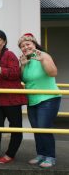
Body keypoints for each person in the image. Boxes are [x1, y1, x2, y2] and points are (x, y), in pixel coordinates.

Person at [0, 30, 27, 164]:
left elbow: (16, 73)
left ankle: (10, 154)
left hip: (12, 98)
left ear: (4, 42)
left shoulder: (10, 55)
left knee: (15, 127)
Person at [18, 33, 61, 168]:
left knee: (44, 128)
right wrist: (23, 65)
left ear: (34, 44)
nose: (25, 47)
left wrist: (42, 60)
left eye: (28, 44)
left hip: (48, 98)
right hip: (33, 100)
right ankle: (41, 154)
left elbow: (53, 73)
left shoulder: (43, 55)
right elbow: (24, 79)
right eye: (22, 46)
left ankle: (50, 156)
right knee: (37, 129)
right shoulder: (27, 60)